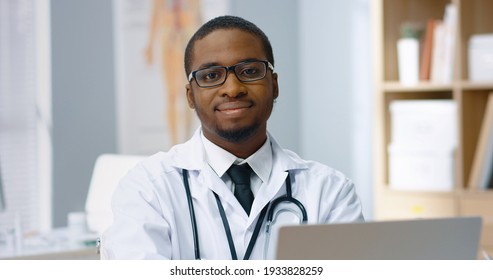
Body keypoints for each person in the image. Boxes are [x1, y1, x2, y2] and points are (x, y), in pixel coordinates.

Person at [101, 15, 364, 260]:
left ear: (274, 85)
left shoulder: (330, 192)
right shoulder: (148, 188)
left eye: (249, 71)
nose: (233, 88)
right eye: (211, 76)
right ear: (190, 96)